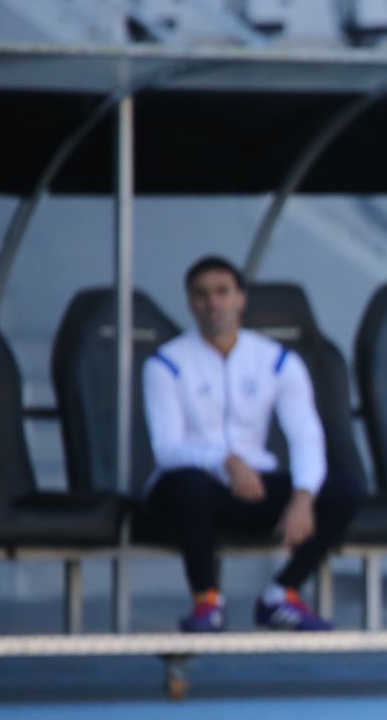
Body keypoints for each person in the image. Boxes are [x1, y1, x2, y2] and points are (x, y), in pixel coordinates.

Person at [143, 255, 360, 632]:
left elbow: (306, 435)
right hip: (191, 493)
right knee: (188, 485)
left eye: (222, 292)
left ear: (241, 298)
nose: (213, 303)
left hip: (253, 486)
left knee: (342, 489)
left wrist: (303, 496)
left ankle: (281, 594)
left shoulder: (277, 361)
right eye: (202, 294)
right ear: (190, 302)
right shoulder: (166, 364)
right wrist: (225, 460)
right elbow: (167, 448)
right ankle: (207, 600)